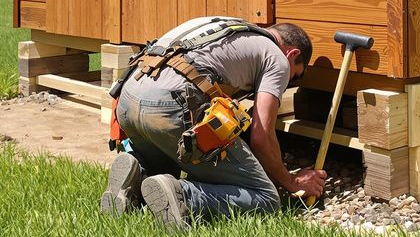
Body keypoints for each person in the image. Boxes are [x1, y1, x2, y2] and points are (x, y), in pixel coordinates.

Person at [100, 17, 327, 227]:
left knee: (169, 164)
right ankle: (183, 194)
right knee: (266, 198)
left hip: (128, 98)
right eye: (295, 76)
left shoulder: (229, 28)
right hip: (169, 106)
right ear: (292, 53)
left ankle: (138, 172)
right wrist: (292, 182)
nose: (289, 82)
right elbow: (261, 137)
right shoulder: (277, 59)